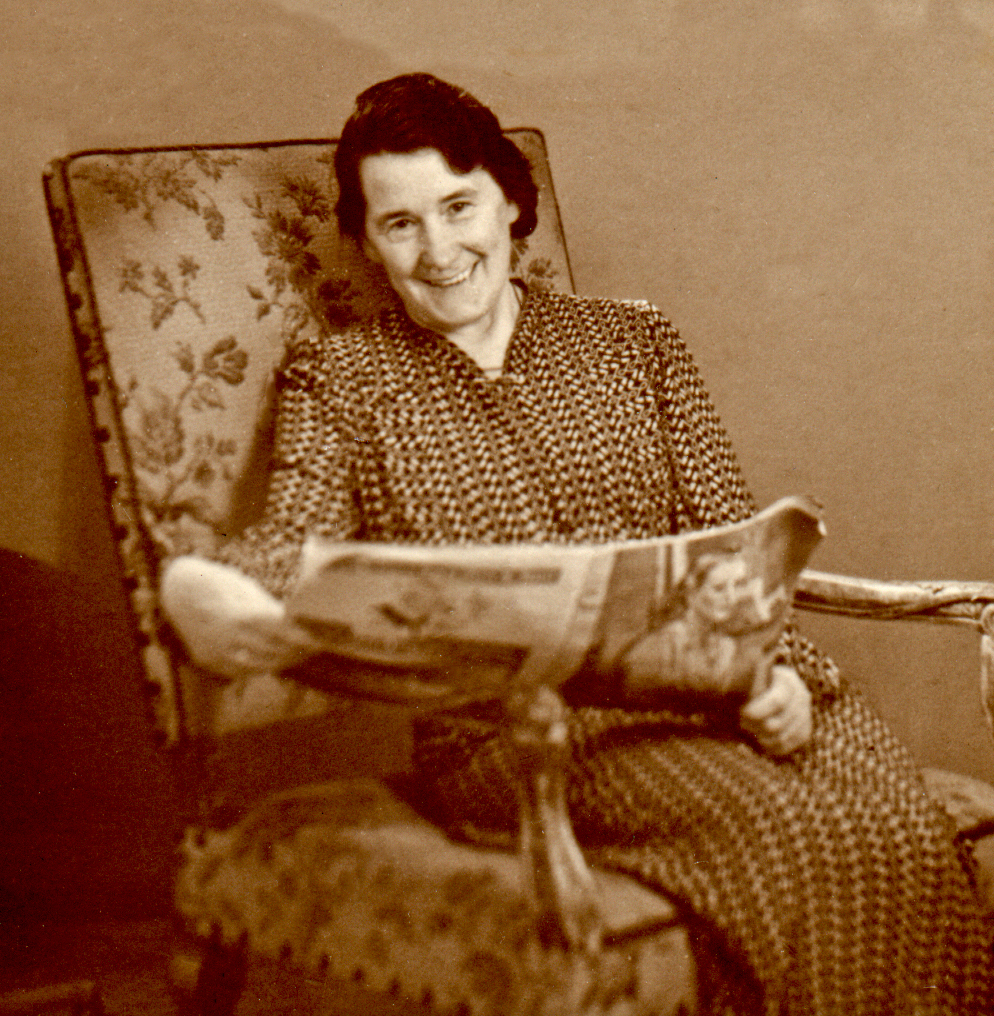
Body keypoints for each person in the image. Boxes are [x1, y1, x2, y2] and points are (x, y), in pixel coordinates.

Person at [160, 73, 993, 1015]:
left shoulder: (635, 341)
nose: (438, 251)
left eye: (458, 207)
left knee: (882, 812)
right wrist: (214, 594)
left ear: (511, 203)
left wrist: (783, 679)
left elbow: (739, 546)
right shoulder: (343, 377)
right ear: (367, 241)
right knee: (790, 830)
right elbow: (287, 541)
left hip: (713, 703)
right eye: (399, 224)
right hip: (520, 742)